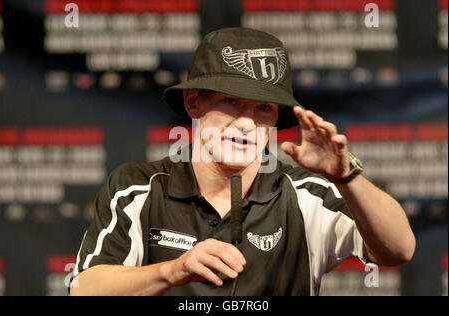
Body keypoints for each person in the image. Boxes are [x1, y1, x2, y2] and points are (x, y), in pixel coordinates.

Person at [70, 27, 415, 296]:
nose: (246, 123)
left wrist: (346, 176)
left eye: (263, 108)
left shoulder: (306, 194)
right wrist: (171, 271)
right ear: (193, 103)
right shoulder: (138, 186)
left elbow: (398, 249)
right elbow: (85, 289)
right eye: (231, 101)